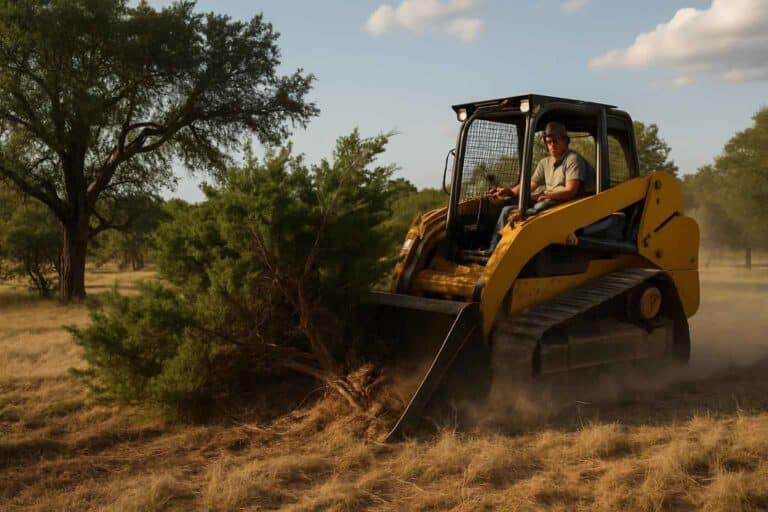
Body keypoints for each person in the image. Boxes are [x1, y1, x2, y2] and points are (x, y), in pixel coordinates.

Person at [484, 121, 588, 253]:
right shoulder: (545, 162)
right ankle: (493, 249)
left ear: (565, 140)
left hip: (565, 206)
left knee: (538, 207)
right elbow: (529, 186)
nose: (551, 145)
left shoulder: (573, 159)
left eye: (555, 141)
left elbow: (571, 191)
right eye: (548, 142)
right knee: (507, 210)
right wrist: (508, 192)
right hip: (547, 202)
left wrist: (547, 195)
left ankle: (515, 250)